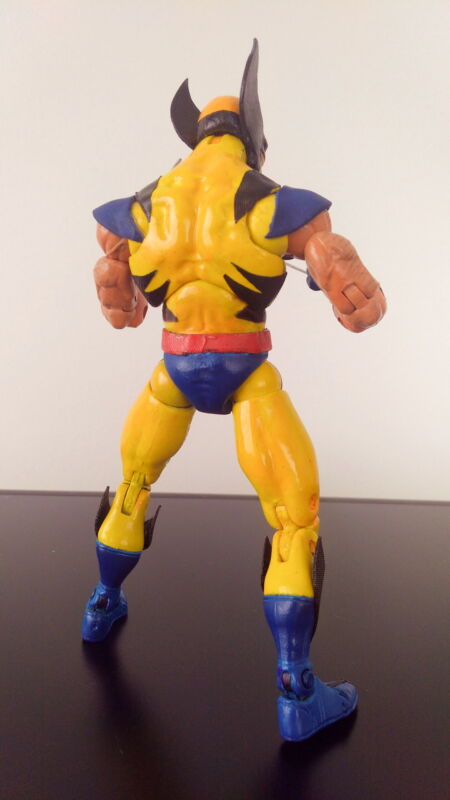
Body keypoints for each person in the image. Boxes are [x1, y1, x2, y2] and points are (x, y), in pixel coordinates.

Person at [82, 40, 386, 741]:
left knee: (131, 486)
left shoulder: (146, 202)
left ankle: (100, 605)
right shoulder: (266, 199)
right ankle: (297, 693)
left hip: (175, 368)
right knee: (293, 522)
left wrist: (119, 283)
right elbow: (329, 259)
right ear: (251, 134)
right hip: (246, 371)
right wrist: (336, 273)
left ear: (196, 136)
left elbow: (115, 277)